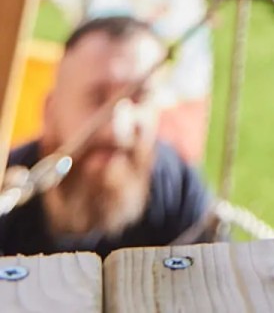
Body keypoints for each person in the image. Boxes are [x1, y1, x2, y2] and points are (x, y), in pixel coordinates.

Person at [0, 16, 212, 255]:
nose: (117, 128)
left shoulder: (177, 190)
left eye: (138, 97)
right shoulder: (7, 197)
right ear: (50, 112)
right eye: (97, 99)